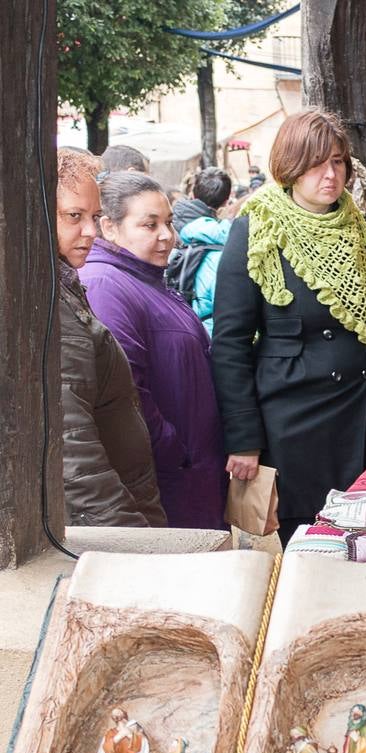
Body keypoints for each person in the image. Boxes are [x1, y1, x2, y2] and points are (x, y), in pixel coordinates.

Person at [212, 110, 366, 543]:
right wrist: (244, 439)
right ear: (290, 167)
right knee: (311, 552)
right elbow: (230, 345)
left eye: (338, 162)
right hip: (296, 425)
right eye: (317, 163)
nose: (330, 175)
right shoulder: (256, 230)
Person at [83, 172, 226, 530]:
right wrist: (172, 450)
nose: (166, 235)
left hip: (190, 474)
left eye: (168, 222)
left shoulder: (144, 278)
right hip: (170, 479)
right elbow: (128, 389)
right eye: (149, 225)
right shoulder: (106, 285)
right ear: (110, 228)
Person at [54, 149, 165, 528]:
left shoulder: (65, 285)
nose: (90, 230)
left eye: (94, 217)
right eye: (74, 216)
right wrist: (128, 535)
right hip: (108, 524)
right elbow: (72, 451)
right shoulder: (49, 303)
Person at [168, 166, 234, 337]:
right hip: (213, 334)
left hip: (177, 328)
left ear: (193, 195)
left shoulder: (170, 227)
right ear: (226, 201)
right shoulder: (230, 240)